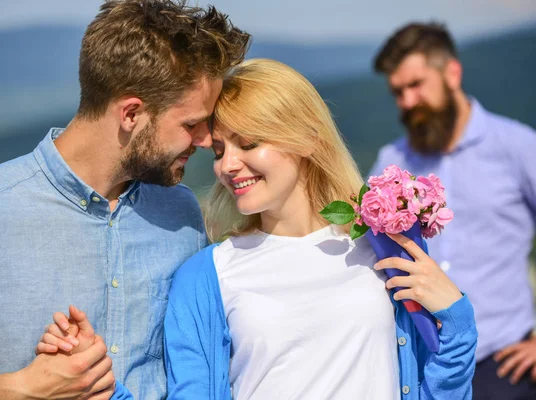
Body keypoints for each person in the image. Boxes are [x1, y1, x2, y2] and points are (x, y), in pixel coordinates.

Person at [41, 58, 478, 399]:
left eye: (249, 143)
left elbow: (440, 387)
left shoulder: (382, 249)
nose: (228, 165)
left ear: (307, 138)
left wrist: (457, 318)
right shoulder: (206, 277)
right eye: (218, 149)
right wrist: (99, 386)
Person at [0, 0, 250, 398]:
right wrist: (13, 390)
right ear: (131, 114)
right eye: (191, 124)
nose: (206, 140)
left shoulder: (181, 213)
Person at [369, 22, 536, 399]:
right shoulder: (390, 161)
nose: (407, 102)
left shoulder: (518, 146)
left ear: (452, 73)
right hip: (421, 364)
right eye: (398, 92)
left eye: (416, 85)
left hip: (503, 363)